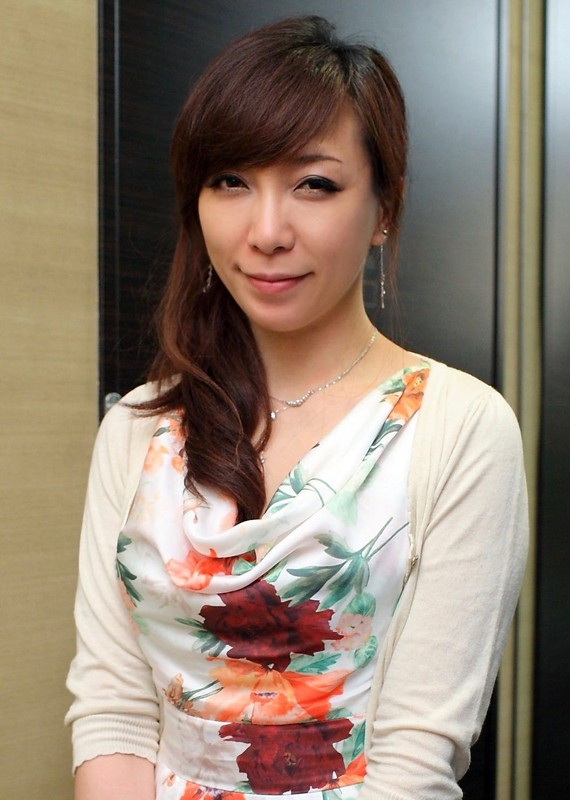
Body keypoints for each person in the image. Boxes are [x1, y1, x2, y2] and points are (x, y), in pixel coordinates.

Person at [66, 15, 528, 800]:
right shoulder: (138, 426)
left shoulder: (461, 429)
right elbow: (114, 709)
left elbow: (417, 764)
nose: (266, 231)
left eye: (314, 185)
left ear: (385, 207)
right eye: (230, 182)